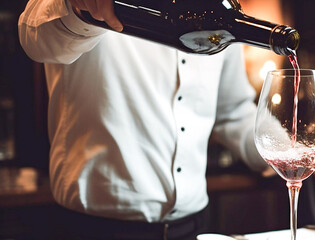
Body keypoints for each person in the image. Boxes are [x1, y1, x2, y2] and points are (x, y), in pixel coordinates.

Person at [18, 0, 271, 239]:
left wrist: (292, 149)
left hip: (194, 225)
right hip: (98, 230)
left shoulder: (217, 10)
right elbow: (35, 37)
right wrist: (77, 8)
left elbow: (233, 111)